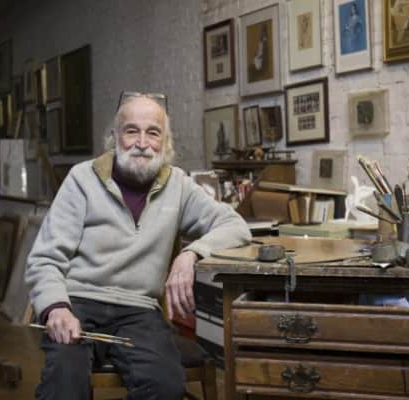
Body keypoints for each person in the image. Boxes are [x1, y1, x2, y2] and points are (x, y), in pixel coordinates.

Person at [25, 92, 252, 400]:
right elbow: (44, 259)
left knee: (165, 386)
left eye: (153, 133)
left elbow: (236, 226)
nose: (142, 142)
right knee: (63, 384)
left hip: (139, 310)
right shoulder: (82, 179)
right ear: (114, 137)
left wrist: (191, 253)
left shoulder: (179, 185)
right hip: (77, 301)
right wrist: (56, 308)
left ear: (165, 142)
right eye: (132, 130)